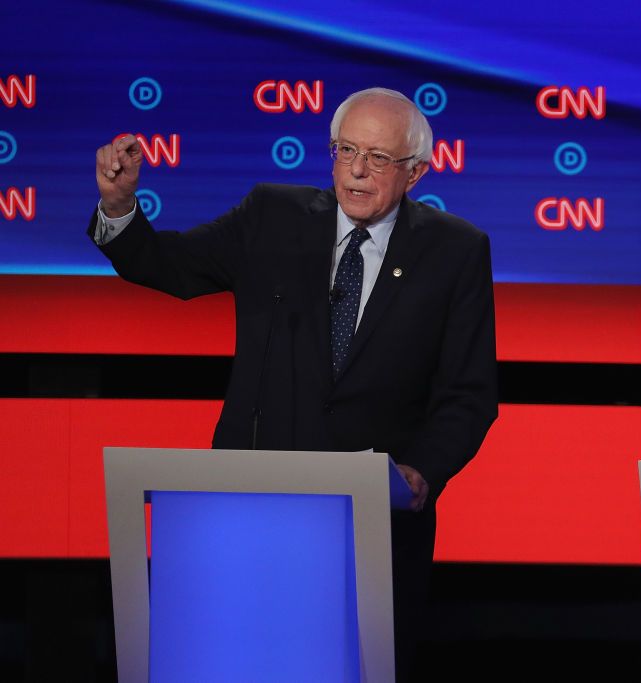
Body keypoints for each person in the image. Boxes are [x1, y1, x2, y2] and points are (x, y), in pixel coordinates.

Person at [91, 87, 499, 680]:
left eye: (379, 158)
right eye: (346, 150)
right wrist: (119, 206)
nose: (357, 170)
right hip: (250, 512)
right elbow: (168, 265)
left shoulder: (456, 251)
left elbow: (469, 393)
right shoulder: (271, 216)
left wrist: (421, 472)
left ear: (416, 172)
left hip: (373, 528)